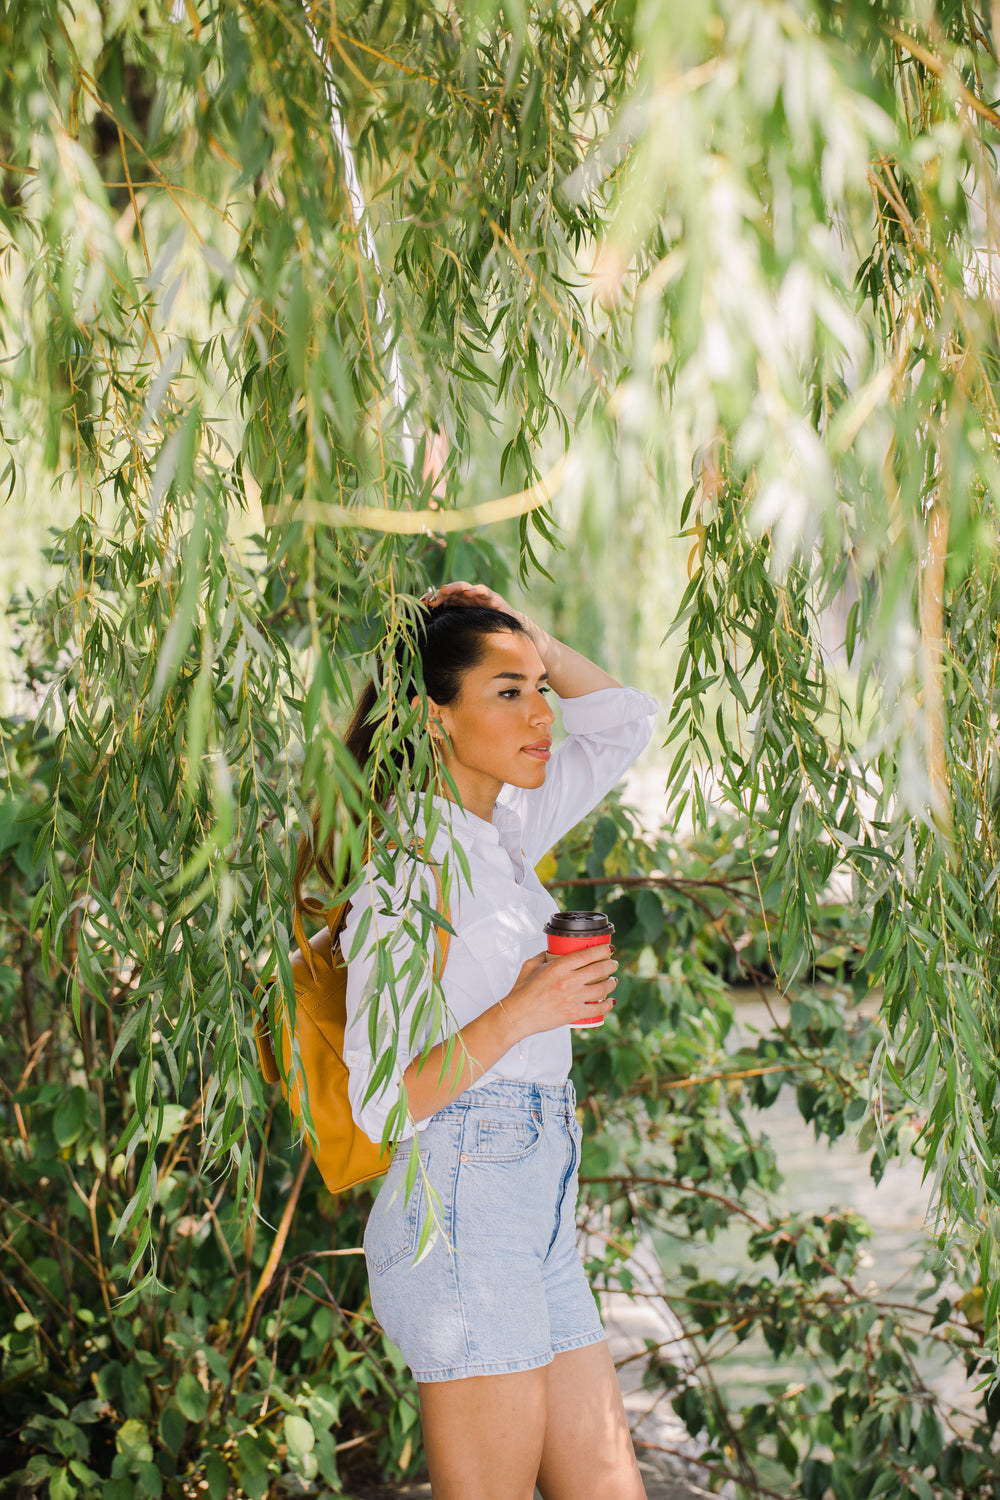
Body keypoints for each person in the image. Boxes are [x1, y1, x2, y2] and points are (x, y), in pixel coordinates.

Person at [335, 580, 657, 1500]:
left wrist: (535, 641)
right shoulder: (406, 871)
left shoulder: (501, 834)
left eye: (539, 689)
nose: (542, 712)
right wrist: (528, 1005)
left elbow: (626, 723)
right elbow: (382, 1099)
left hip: (537, 1210)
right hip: (465, 1211)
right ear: (434, 719)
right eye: (507, 692)